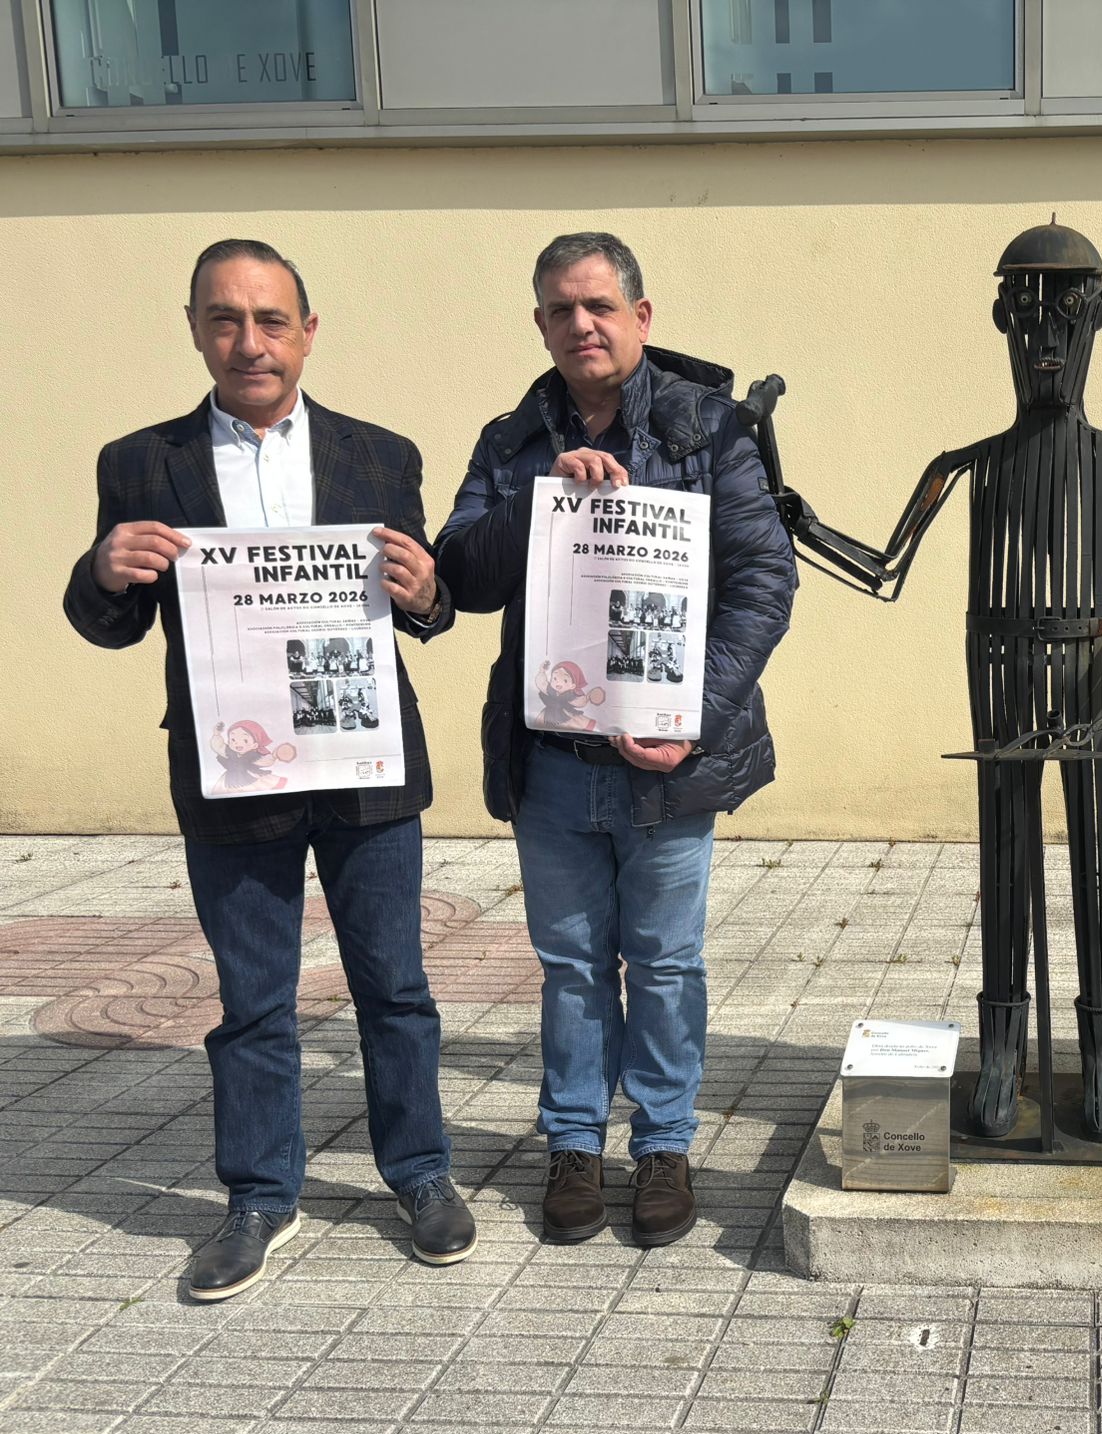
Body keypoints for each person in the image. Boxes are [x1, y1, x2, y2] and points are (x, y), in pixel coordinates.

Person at [62, 239, 472, 1301]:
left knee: (396, 986)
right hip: (233, 773)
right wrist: (104, 572)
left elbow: (424, 612)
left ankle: (421, 1174)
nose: (250, 341)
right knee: (253, 1000)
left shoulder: (380, 455)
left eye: (271, 319)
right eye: (226, 319)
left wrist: (427, 590)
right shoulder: (139, 462)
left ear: (307, 330)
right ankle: (258, 1197)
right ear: (195, 328)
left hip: (364, 766)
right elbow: (106, 622)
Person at [434, 232, 793, 1246]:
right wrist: (545, 497)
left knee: (667, 965)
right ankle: (573, 1145)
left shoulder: (707, 432)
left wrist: (691, 719)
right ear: (540, 325)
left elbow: (764, 586)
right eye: (559, 309)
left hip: (667, 765)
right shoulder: (513, 440)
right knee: (572, 965)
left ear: (641, 318)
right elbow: (461, 574)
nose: (580, 324)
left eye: (599, 306)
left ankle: (665, 1145)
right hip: (552, 762)